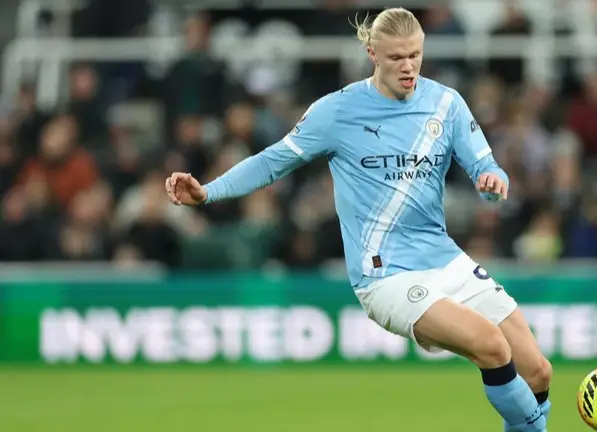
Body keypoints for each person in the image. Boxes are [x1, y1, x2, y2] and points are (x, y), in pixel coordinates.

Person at [165, 8, 552, 431]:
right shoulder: (338, 111)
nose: (408, 67)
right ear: (372, 54)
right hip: (387, 276)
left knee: (537, 372)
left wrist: (491, 181)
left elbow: (485, 166)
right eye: (396, 57)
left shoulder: (446, 103)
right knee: (492, 346)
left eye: (415, 55)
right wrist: (209, 191)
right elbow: (272, 161)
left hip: (445, 259)